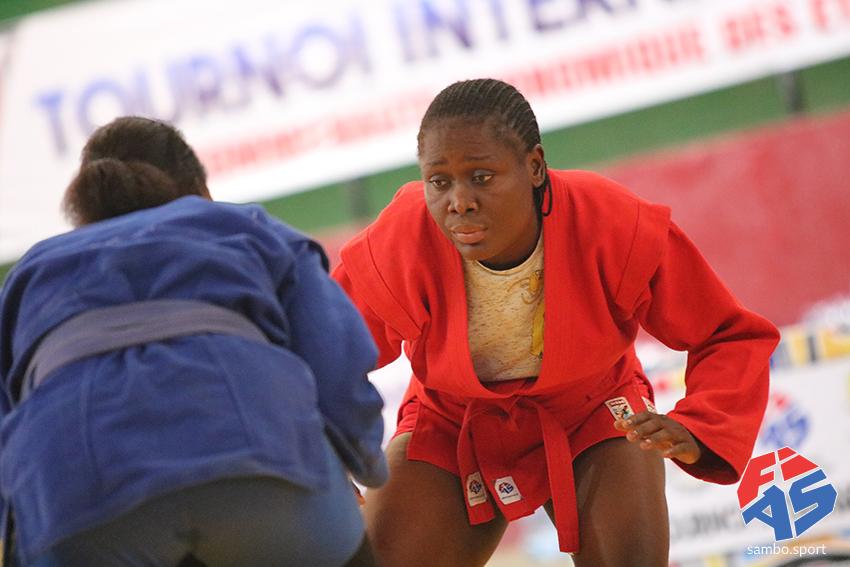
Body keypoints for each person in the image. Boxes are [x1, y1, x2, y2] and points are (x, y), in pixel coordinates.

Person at [332, 78, 781, 567]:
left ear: (535, 166)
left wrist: (702, 424)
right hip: (451, 419)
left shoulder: (610, 220)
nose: (459, 201)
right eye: (439, 181)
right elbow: (317, 358)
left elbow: (728, 334)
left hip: (596, 411)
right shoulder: (399, 241)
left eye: (481, 176)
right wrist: (325, 453)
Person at [0, 116, 387, 567]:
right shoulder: (246, 226)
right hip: (256, 463)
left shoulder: (30, 272)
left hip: (74, 498)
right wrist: (363, 464)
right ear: (201, 192)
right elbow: (338, 365)